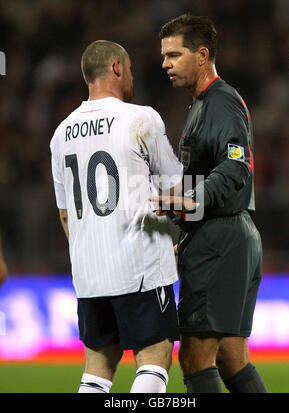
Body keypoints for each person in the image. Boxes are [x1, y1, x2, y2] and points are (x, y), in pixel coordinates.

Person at [50, 40, 183, 393]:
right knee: (154, 358)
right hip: (139, 267)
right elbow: (179, 189)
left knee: (97, 369)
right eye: (131, 67)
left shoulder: (60, 133)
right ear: (117, 68)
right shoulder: (141, 118)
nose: (133, 75)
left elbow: (65, 215)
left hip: (89, 274)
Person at [151, 14, 268, 393]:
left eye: (174, 54)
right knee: (231, 357)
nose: (165, 63)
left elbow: (235, 166)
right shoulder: (205, 103)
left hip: (221, 240)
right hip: (225, 236)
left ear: (202, 56)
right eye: (164, 55)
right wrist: (185, 231)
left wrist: (186, 200)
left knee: (194, 358)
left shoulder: (220, 101)